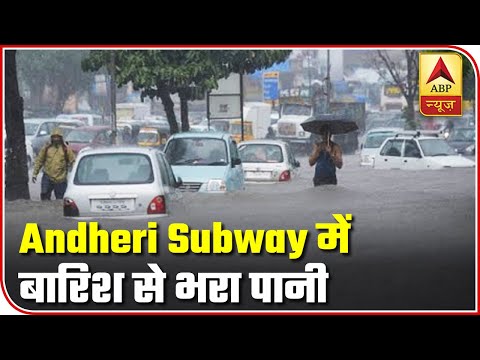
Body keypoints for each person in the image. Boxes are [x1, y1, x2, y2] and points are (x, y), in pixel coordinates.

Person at [32, 128, 76, 200]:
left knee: (60, 199)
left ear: (61, 138)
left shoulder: (66, 149)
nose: (56, 139)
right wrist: (35, 174)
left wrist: (73, 176)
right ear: (51, 138)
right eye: (54, 137)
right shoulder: (46, 148)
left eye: (57, 137)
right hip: (47, 176)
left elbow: (73, 161)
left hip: (61, 179)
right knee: (44, 196)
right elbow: (39, 160)